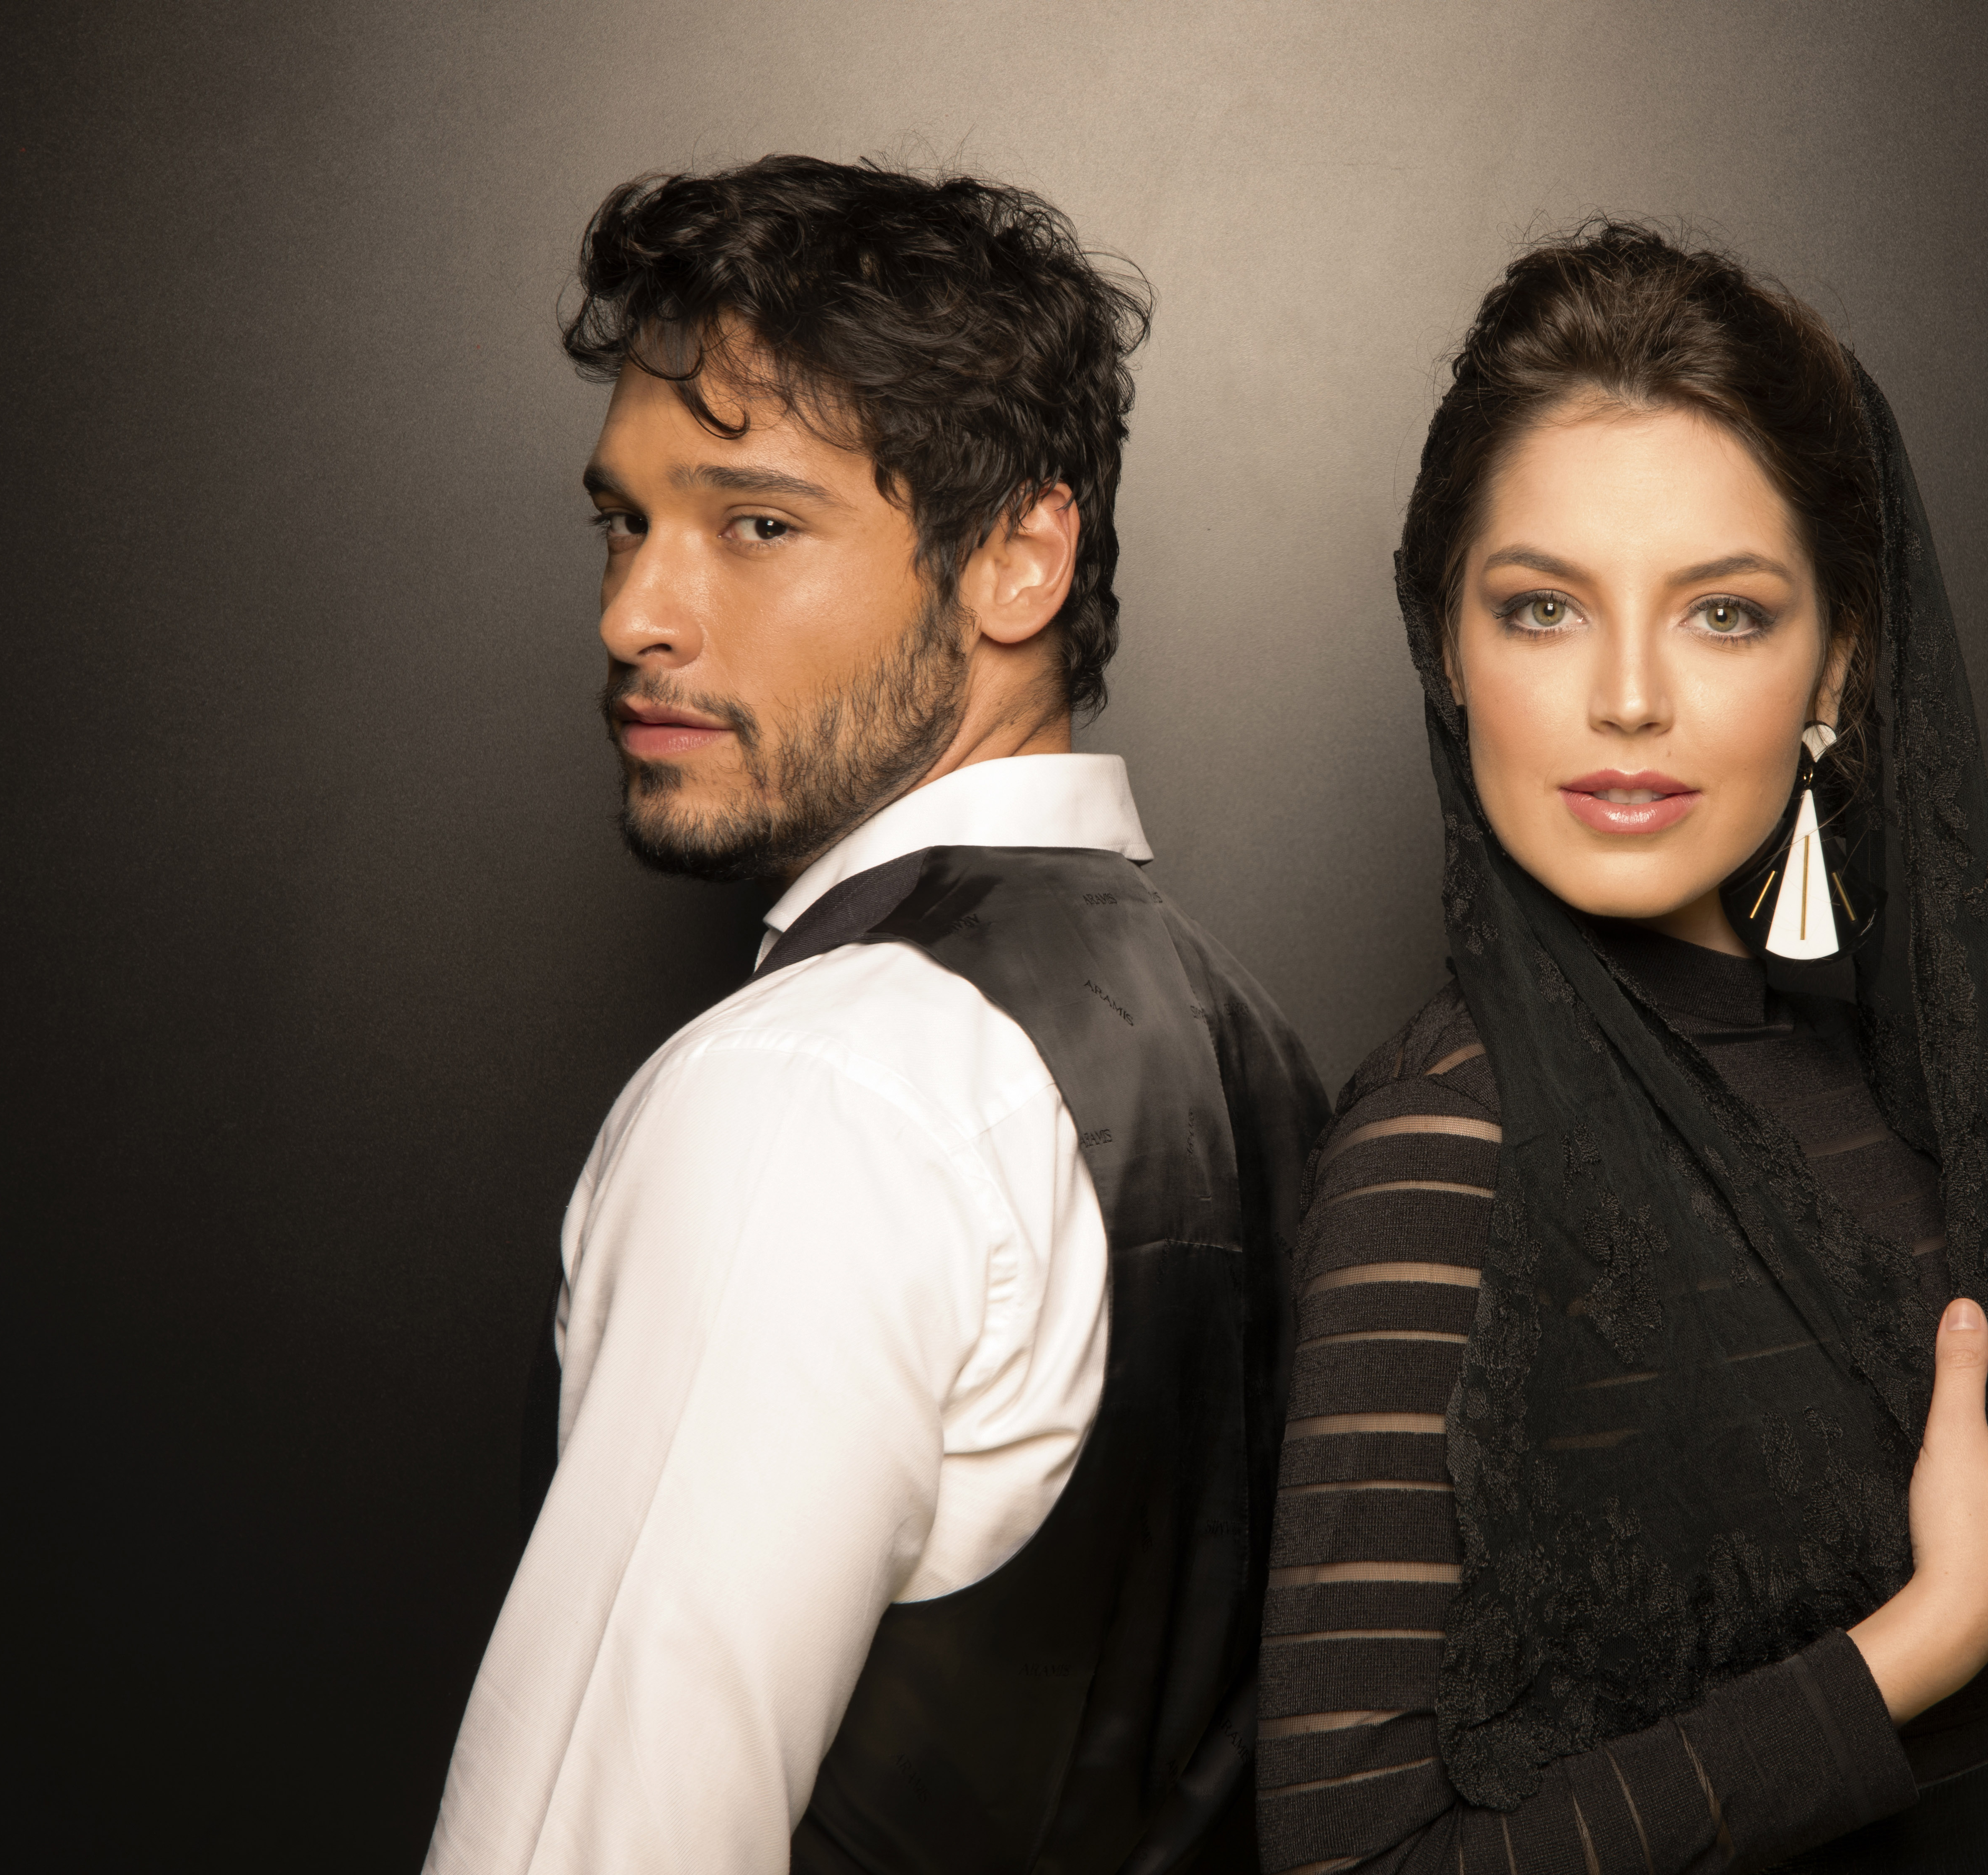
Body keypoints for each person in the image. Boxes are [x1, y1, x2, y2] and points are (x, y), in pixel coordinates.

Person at [1256, 225, 1988, 1873]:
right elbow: (1355, 1859)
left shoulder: (1892, 1100)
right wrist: (1926, 1639)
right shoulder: (1448, 1148)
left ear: (1837, 661)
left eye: (1723, 613)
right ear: (1450, 651)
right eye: (1543, 608)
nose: (1628, 696)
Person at [426, 157, 1327, 1875]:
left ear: (1018, 559)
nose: (634, 615)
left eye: (754, 524)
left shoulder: (813, 1088)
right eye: (624, 521)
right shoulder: (1251, 1042)